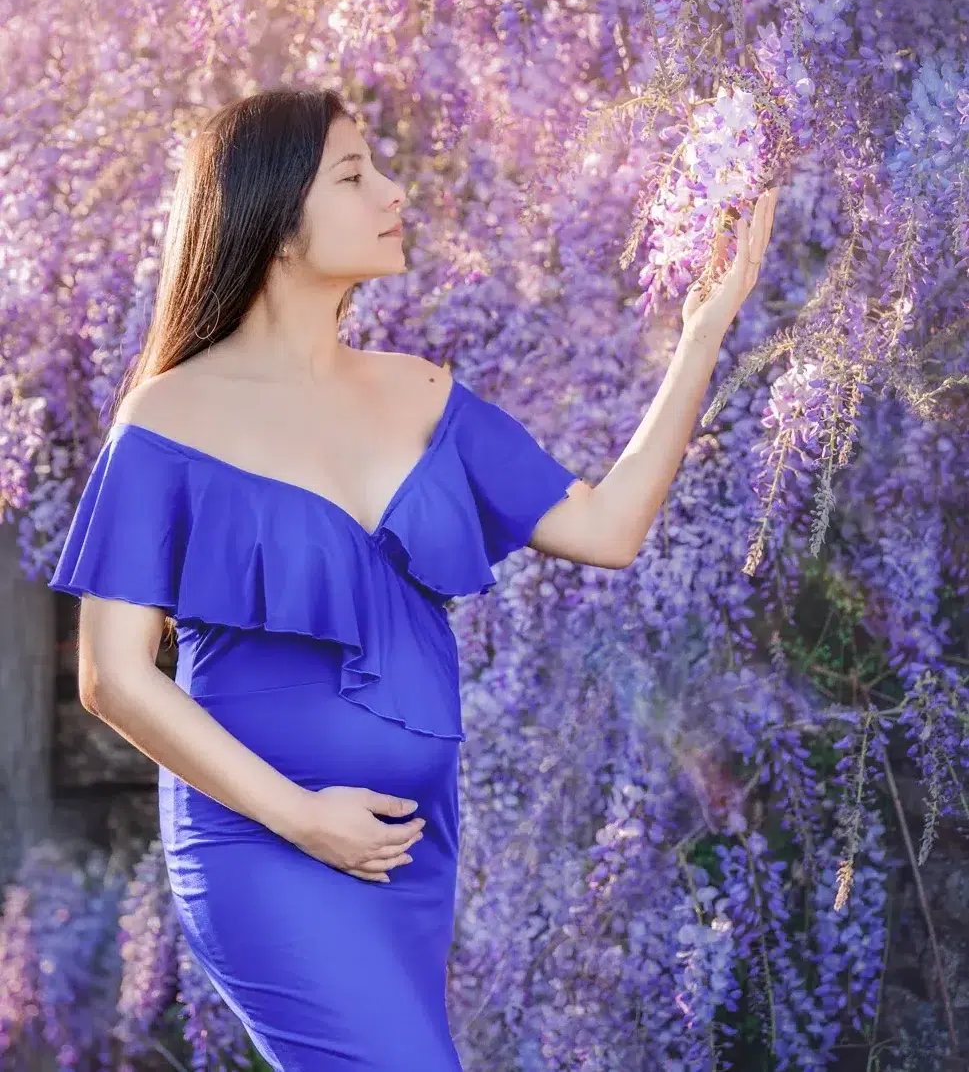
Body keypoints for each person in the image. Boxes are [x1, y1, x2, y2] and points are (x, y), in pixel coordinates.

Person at [48, 87, 777, 1071]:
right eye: (354, 174)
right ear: (274, 223)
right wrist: (302, 816)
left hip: (408, 849)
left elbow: (607, 528)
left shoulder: (425, 393)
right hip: (264, 843)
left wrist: (701, 332)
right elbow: (114, 676)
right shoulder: (168, 418)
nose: (393, 192)